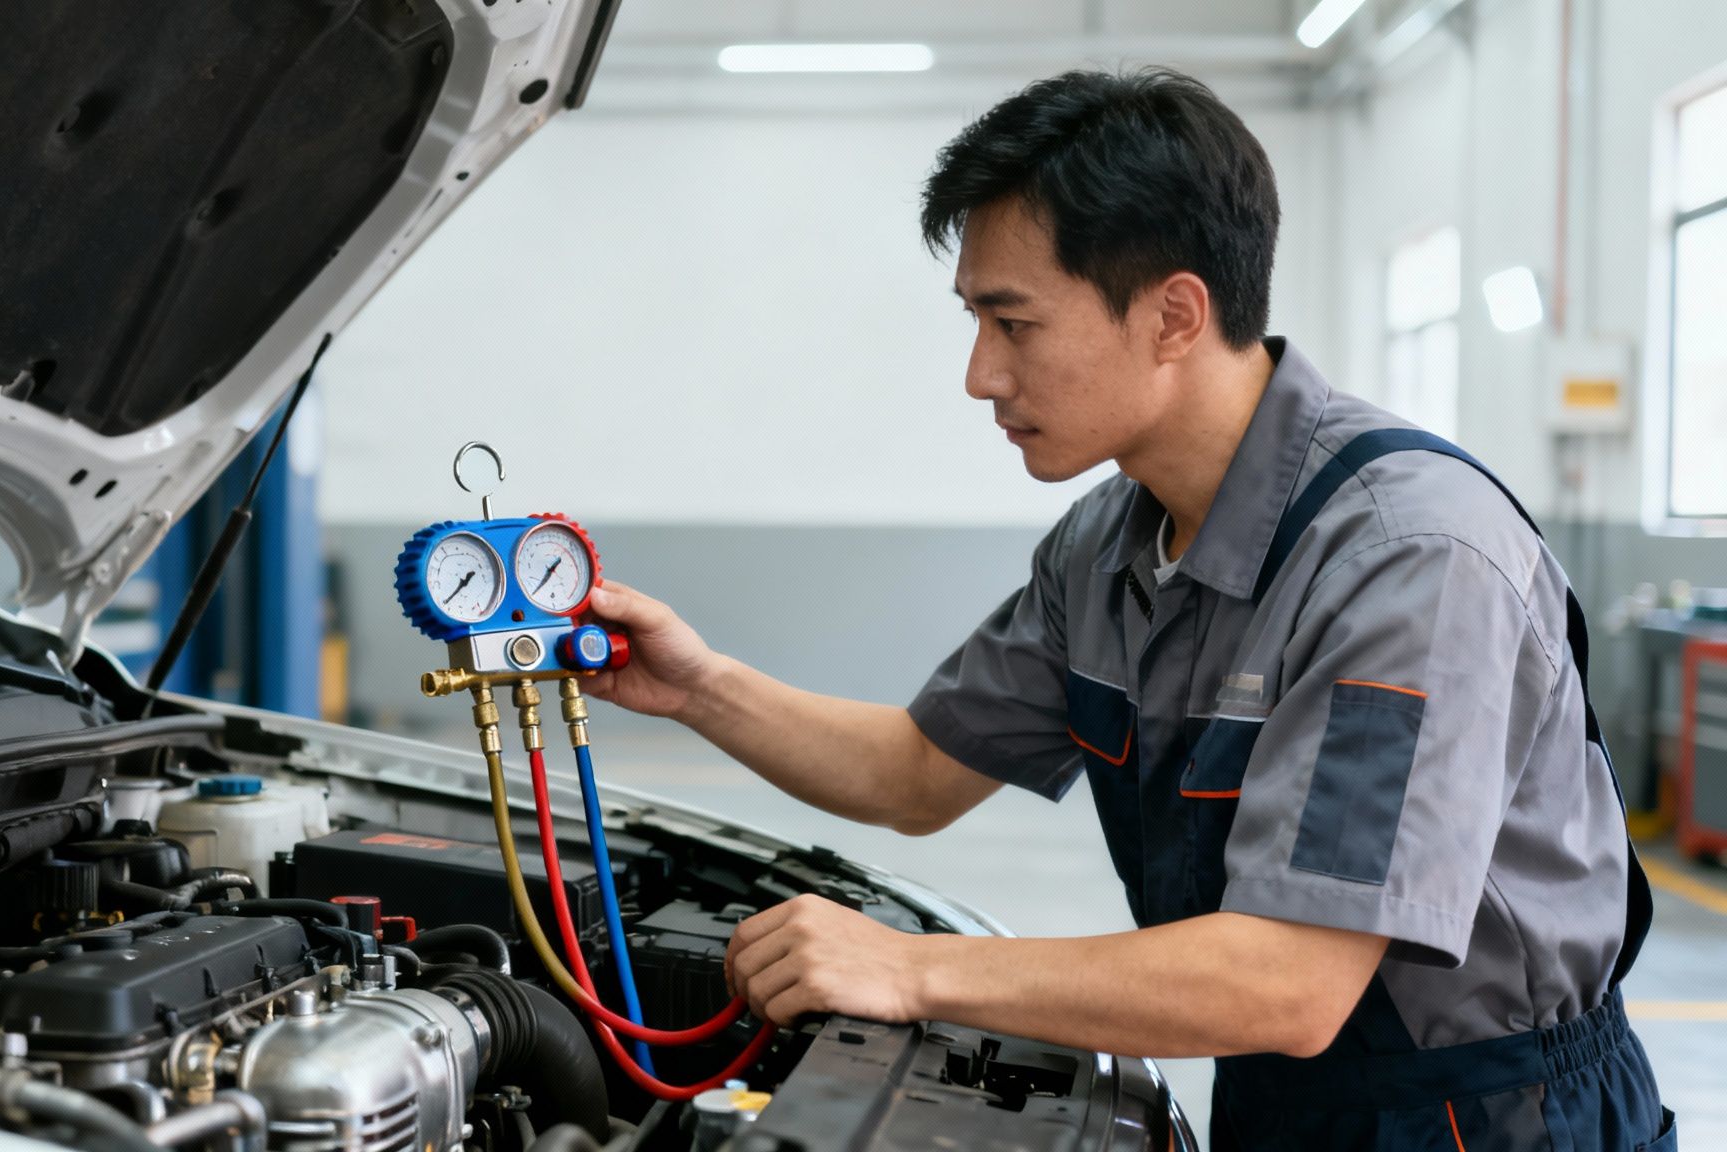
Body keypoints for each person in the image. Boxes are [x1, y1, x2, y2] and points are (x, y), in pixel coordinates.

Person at [580, 69, 1672, 1150]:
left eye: (1012, 324)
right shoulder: (1109, 544)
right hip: (1279, 1098)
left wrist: (911, 969)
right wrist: (697, 686)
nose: (977, 375)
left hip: (1495, 1118)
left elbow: (1287, 981)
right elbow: (913, 772)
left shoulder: (1407, 559)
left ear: (1172, 315)